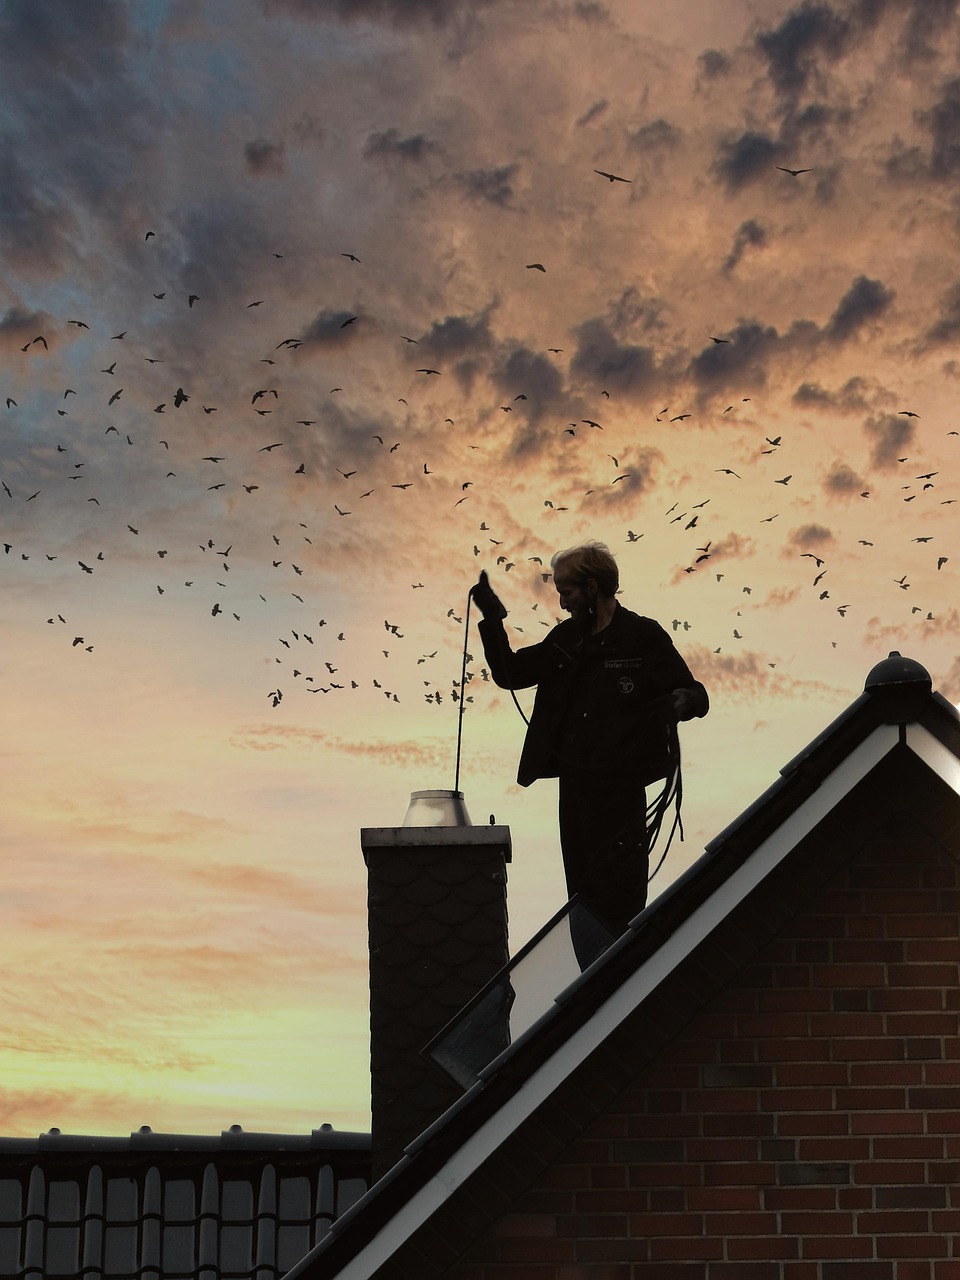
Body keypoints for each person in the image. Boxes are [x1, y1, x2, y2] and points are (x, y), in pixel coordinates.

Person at [472, 541, 708, 940]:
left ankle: (621, 980)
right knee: (582, 901)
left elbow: (695, 693)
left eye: (567, 591)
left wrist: (679, 702)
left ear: (593, 587)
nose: (562, 601)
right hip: (576, 792)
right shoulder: (565, 639)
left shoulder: (641, 636)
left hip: (622, 794)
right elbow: (511, 673)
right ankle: (592, 989)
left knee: (620, 901)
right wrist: (493, 621)